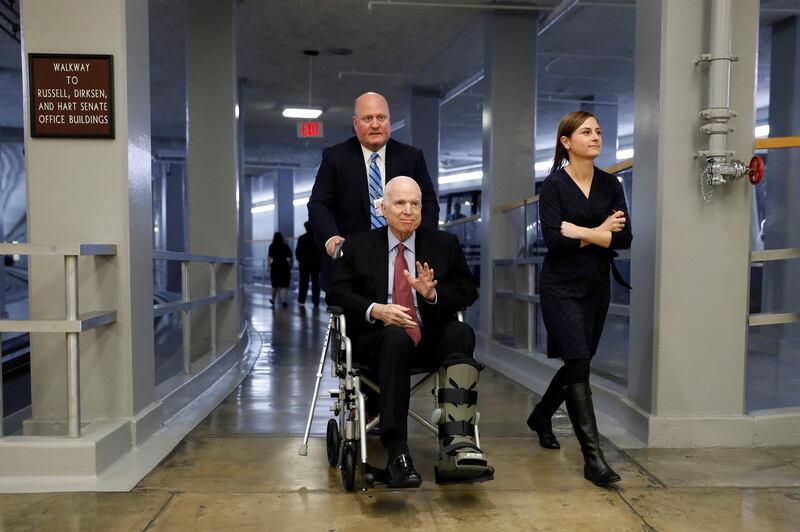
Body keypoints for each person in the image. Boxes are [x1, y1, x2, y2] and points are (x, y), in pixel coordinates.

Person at [326, 176, 493, 488]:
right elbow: (336, 294)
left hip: (426, 336)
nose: (408, 210)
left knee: (461, 332)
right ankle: (398, 452)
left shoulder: (444, 245)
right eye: (400, 203)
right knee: (395, 337)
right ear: (384, 209)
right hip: (377, 340)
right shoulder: (360, 246)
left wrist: (432, 295)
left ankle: (458, 441)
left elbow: (468, 289)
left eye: (414, 204)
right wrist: (376, 309)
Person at [527, 111, 632, 487]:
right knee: (578, 362)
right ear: (566, 142)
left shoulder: (610, 184)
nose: (596, 136)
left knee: (578, 362)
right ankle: (593, 458)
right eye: (586, 132)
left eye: (598, 131)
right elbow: (555, 241)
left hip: (596, 286)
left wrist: (584, 231)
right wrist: (601, 230)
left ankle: (541, 415)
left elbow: (624, 238)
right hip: (560, 286)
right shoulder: (553, 186)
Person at [308, 91, 440, 288]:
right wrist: (331, 237)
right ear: (355, 123)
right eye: (367, 118)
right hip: (352, 262)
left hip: (404, 261)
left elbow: (428, 204)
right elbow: (319, 204)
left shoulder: (411, 158)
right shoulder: (335, 158)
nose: (375, 124)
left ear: (389, 121)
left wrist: (422, 243)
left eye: (381, 117)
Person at [295, 221, 321, 307]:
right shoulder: (317, 238)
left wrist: (301, 261)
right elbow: (320, 252)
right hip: (315, 264)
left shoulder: (301, 238)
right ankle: (316, 301)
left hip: (304, 264)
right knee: (315, 283)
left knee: (303, 283)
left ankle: (301, 300)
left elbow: (297, 252)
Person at [267, 232, 292, 308]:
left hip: (275, 266)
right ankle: (284, 301)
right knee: (284, 285)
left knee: (274, 284)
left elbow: (269, 257)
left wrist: (268, 266)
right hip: (284, 266)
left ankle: (273, 300)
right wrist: (289, 265)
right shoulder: (285, 246)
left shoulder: (272, 246)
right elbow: (290, 257)